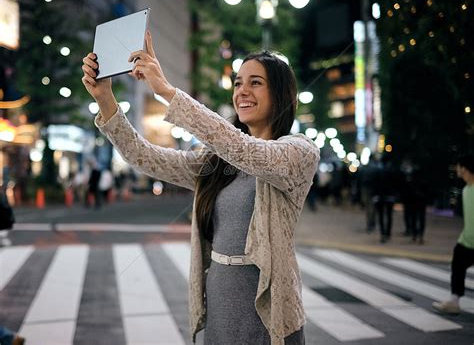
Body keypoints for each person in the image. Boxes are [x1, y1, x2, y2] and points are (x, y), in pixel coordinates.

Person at [81, 31, 319, 344]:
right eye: (237, 83)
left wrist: (166, 90)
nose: (242, 91)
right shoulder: (217, 162)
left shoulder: (298, 152)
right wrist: (106, 101)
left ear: (282, 93)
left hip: (269, 309)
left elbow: (248, 151)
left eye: (255, 82)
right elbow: (147, 158)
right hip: (221, 297)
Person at [433, 154, 474, 314]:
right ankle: (454, 301)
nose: (456, 169)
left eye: (458, 166)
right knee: (457, 264)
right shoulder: (466, 190)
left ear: (463, 168)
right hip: (467, 241)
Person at [372, 155, 398, 243]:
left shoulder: (378, 172)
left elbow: (374, 185)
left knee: (381, 216)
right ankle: (388, 233)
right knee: (389, 216)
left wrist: (374, 195)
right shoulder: (392, 172)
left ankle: (383, 234)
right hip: (390, 197)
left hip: (380, 197)